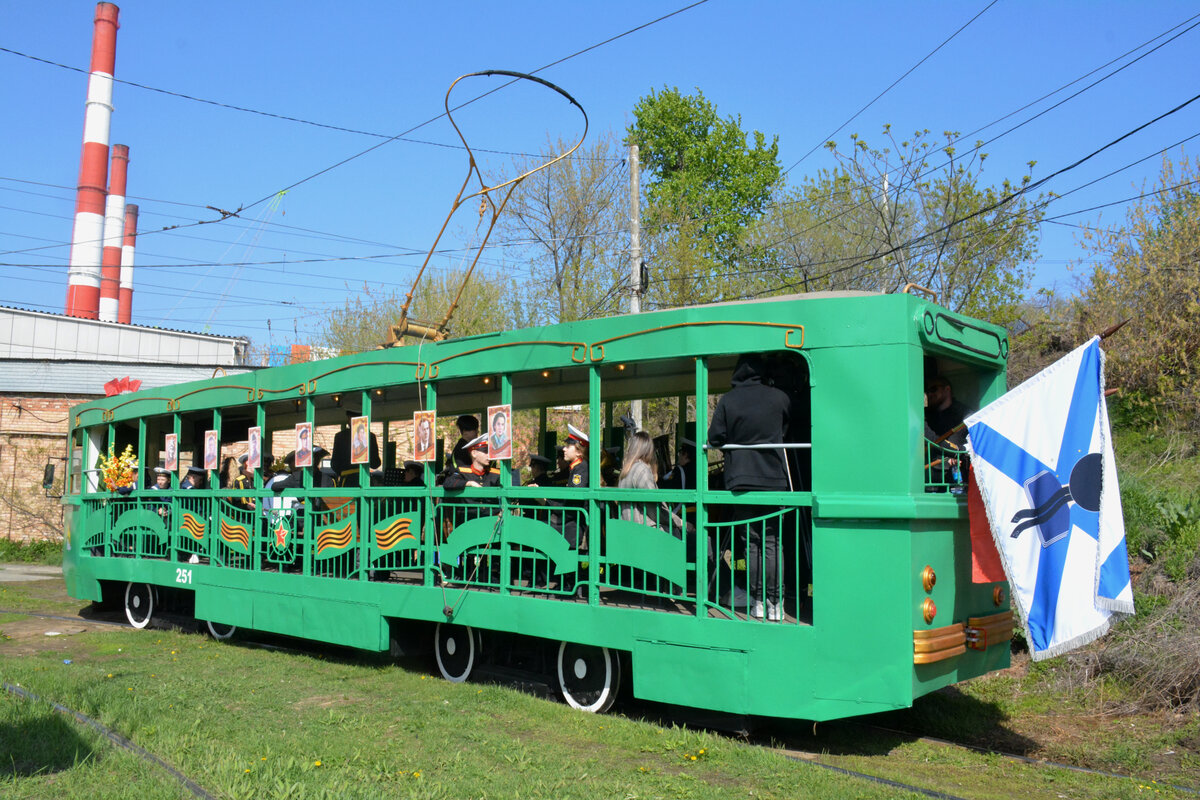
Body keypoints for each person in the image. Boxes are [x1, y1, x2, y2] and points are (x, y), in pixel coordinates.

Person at [708, 353, 791, 621]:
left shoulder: (728, 401)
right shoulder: (780, 397)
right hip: (774, 480)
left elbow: (715, 438)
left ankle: (756, 600)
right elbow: (785, 430)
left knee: (752, 543)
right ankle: (775, 602)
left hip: (741, 481)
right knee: (772, 542)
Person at [332, 407, 381, 487]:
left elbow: (334, 464)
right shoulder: (370, 436)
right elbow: (376, 463)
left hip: (347, 482)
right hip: (365, 481)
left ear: (349, 419)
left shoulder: (340, 436)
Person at [925, 376, 967, 446]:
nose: (929, 394)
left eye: (933, 389)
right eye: (927, 391)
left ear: (947, 389)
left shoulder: (963, 414)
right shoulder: (927, 415)